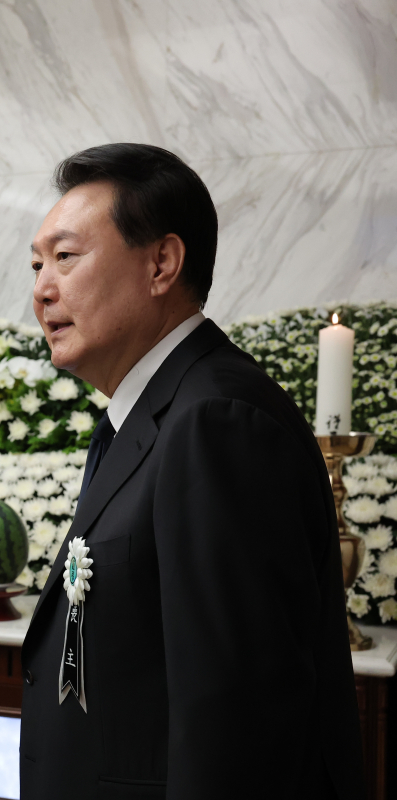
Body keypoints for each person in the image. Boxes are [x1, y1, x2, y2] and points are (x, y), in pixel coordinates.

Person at [20, 143, 364, 799]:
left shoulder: (217, 421)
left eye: (65, 257)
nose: (41, 289)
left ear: (161, 264)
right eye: (37, 265)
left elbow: (239, 725)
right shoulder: (145, 415)